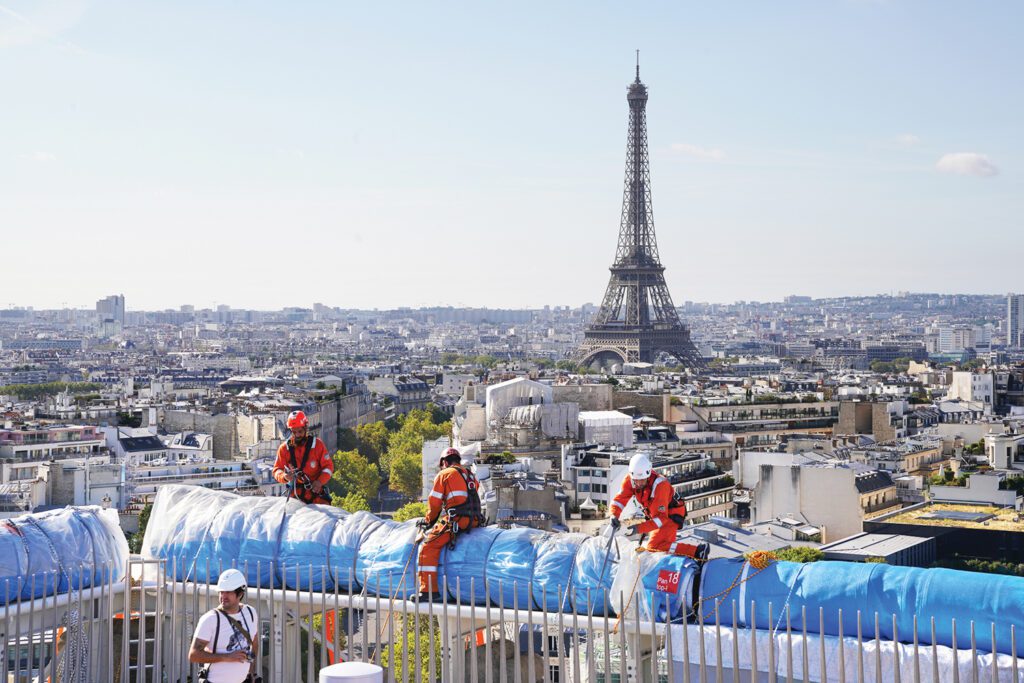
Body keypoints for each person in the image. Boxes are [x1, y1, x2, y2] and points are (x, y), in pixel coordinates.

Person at [414, 447, 485, 601]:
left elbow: (435, 504)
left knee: (428, 546)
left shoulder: (444, 474)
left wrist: (428, 521)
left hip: (458, 520)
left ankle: (428, 591)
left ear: (444, 462)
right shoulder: (470, 475)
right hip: (474, 520)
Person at [609, 453, 709, 560]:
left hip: (671, 515)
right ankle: (690, 553)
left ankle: (697, 552)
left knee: (655, 547)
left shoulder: (660, 486)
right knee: (656, 546)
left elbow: (661, 518)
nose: (638, 483)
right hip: (656, 515)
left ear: (648, 475)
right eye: (636, 480)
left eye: (642, 480)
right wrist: (614, 515)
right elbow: (619, 500)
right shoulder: (631, 480)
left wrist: (639, 528)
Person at [188, 568, 261, 683]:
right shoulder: (210, 619)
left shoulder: (251, 613)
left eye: (229, 592)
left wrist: (250, 672)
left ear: (240, 594)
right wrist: (227, 657)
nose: (223, 596)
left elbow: (255, 642)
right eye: (221, 592)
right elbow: (193, 655)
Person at [272, 410, 333, 504]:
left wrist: (319, 482)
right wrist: (284, 476)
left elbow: (328, 467)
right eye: (294, 432)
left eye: (300, 431)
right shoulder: (284, 449)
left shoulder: (317, 445)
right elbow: (277, 470)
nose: (297, 435)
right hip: (295, 497)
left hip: (316, 495)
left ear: (305, 428)